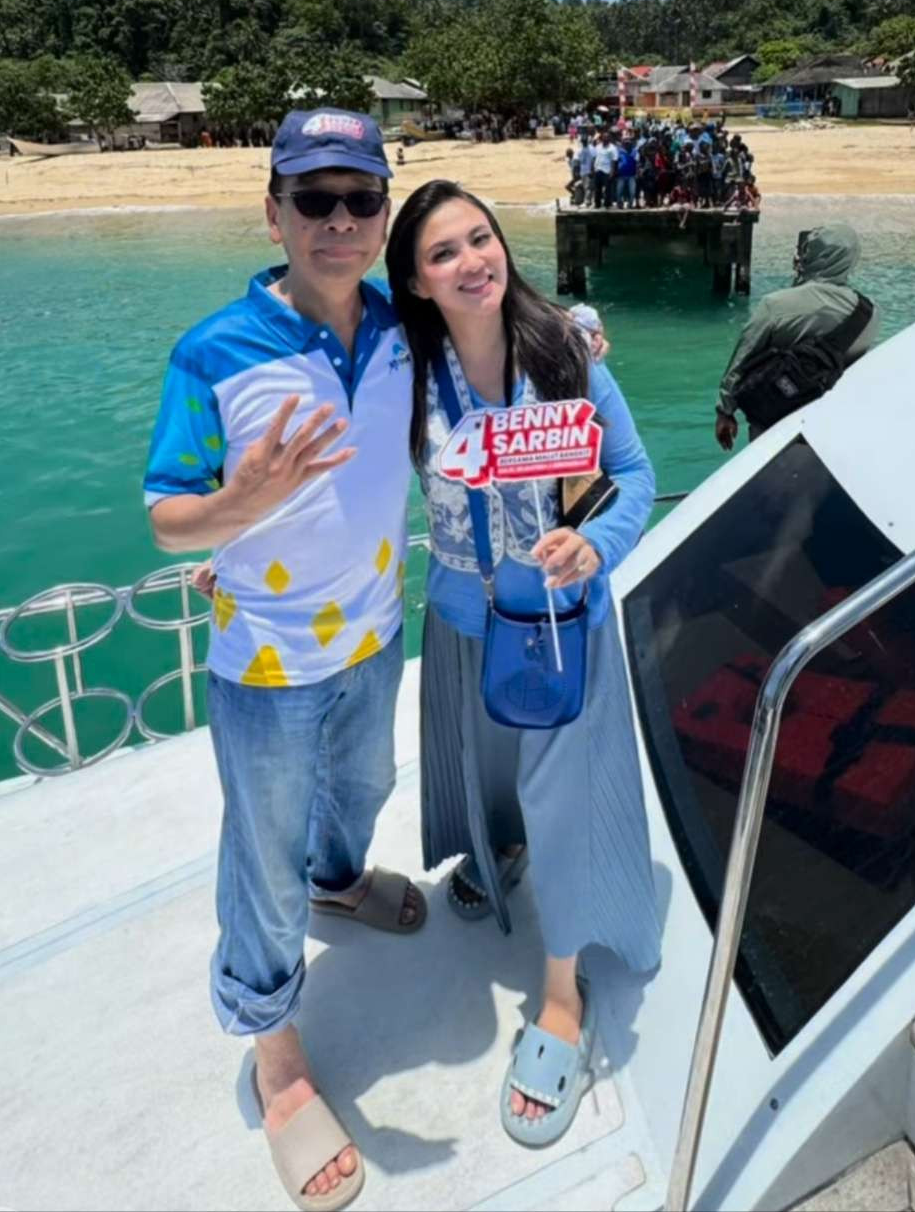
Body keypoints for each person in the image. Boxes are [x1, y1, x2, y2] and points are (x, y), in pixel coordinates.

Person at [144, 108, 427, 1211]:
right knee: (257, 856)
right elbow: (170, 522)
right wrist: (238, 505)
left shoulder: (406, 330)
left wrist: (581, 337)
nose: (339, 221)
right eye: (315, 199)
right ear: (274, 210)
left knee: (366, 788)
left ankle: (340, 883)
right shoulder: (214, 350)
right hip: (263, 661)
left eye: (361, 199)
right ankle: (272, 1050)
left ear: (382, 214)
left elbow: (496, 355)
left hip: (374, 629)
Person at [386, 182, 661, 1149]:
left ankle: (560, 1001)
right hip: (464, 616)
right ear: (415, 285)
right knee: (486, 769)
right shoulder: (402, 373)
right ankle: (497, 854)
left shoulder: (566, 352)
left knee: (562, 796)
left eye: (482, 237)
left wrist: (596, 546)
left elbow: (634, 475)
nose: (472, 260)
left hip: (559, 619)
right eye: (442, 252)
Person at [715, 223, 879, 450]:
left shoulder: (775, 305)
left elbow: (741, 361)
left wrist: (725, 411)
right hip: (829, 426)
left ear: (814, 256)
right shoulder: (870, 315)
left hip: (771, 419)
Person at [591, 132, 617, 208]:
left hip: (606, 171)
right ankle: (597, 204)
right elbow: (594, 158)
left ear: (609, 139)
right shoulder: (598, 147)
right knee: (597, 189)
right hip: (597, 170)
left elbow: (614, 161)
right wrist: (592, 168)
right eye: (604, 137)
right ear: (602, 138)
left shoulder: (612, 148)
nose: (605, 139)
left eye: (607, 137)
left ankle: (607, 204)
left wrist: (612, 172)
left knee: (607, 189)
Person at [614, 137, 638, 207]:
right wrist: (615, 171)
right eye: (626, 143)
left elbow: (637, 163)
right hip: (621, 175)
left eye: (629, 143)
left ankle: (630, 204)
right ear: (623, 144)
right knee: (619, 192)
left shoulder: (635, 151)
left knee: (632, 192)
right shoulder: (619, 151)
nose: (627, 145)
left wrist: (637, 173)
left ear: (631, 144)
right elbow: (615, 162)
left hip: (632, 175)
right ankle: (619, 204)